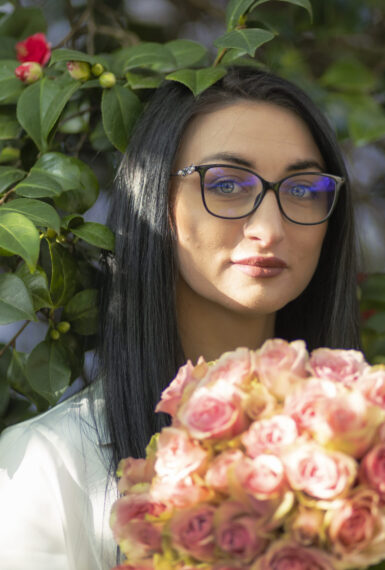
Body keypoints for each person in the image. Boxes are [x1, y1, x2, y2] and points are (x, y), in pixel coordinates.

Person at [0, 65, 360, 569]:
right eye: (228, 184)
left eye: (302, 189)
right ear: (156, 199)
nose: (269, 228)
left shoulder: (374, 443)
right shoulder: (46, 466)